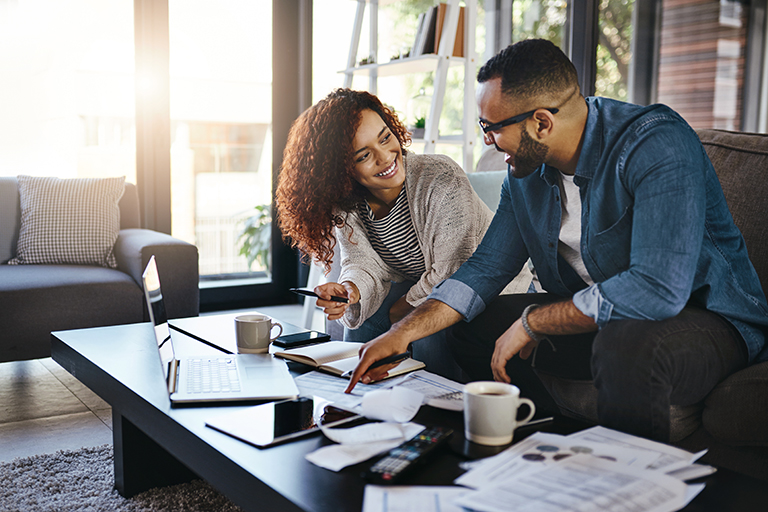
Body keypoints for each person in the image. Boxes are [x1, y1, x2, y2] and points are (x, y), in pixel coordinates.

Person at [345, 39, 768, 443]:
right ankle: (537, 441)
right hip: (602, 321)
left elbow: (657, 290)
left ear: (541, 122)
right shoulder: (525, 174)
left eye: (490, 128)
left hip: (708, 322)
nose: (487, 141)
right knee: (473, 325)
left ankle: (628, 487)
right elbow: (486, 269)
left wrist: (534, 322)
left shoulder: (655, 144)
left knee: (626, 341)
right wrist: (401, 331)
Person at [275, 88, 529, 380]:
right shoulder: (347, 204)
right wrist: (350, 290)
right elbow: (363, 263)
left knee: (425, 327)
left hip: (489, 290)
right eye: (363, 155)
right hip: (426, 285)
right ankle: (354, 393)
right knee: (364, 316)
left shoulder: (440, 177)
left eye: (385, 138)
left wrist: (402, 312)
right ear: (341, 170)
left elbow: (452, 274)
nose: (385, 158)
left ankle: (433, 405)